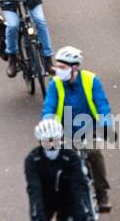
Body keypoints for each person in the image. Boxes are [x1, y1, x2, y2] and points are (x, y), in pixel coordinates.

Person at [41, 45, 112, 212]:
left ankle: (102, 193)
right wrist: (47, 126)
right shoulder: (55, 84)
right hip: (64, 132)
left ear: (75, 68)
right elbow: (49, 108)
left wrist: (106, 125)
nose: (58, 71)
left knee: (94, 153)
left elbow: (102, 105)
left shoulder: (91, 80)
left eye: (62, 67)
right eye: (57, 67)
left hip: (88, 130)